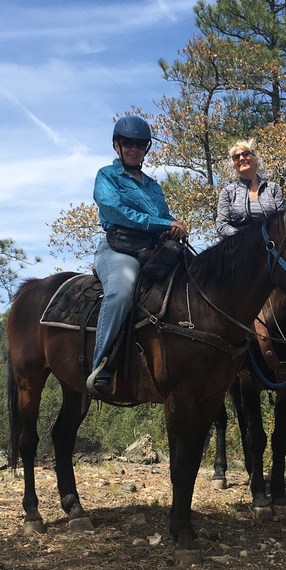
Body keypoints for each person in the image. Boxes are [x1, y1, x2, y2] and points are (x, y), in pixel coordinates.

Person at [88, 115, 187, 397]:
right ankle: (102, 365)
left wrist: (174, 227)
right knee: (121, 292)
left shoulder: (153, 186)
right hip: (120, 248)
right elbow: (114, 211)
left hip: (155, 251)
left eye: (140, 144)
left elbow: (164, 217)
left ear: (147, 148)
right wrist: (164, 225)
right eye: (128, 143)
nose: (134, 149)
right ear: (116, 145)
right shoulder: (107, 176)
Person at [215, 139, 284, 238]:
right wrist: (245, 237)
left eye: (245, 154)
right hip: (239, 245)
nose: (242, 158)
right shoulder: (227, 192)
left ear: (256, 160)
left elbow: (282, 220)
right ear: (234, 166)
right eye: (236, 157)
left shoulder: (273, 188)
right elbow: (222, 225)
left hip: (271, 243)